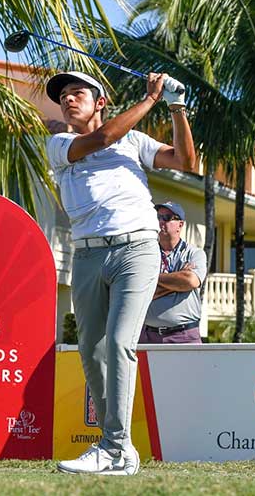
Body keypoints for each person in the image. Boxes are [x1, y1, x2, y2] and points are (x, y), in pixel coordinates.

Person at [45, 71, 196, 475]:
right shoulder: (59, 144)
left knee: (118, 343)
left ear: (100, 102)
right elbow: (102, 138)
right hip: (87, 255)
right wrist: (150, 99)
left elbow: (186, 161)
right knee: (92, 350)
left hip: (137, 249)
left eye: (77, 93)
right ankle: (120, 446)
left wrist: (176, 106)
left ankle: (112, 448)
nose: (68, 100)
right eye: (63, 96)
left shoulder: (135, 141)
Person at [140, 201, 207, 344]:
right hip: (147, 336)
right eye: (158, 217)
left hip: (184, 336)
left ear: (180, 225)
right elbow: (140, 291)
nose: (161, 222)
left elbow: (190, 281)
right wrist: (178, 282)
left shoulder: (194, 253)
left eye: (167, 218)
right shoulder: (145, 254)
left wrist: (152, 280)